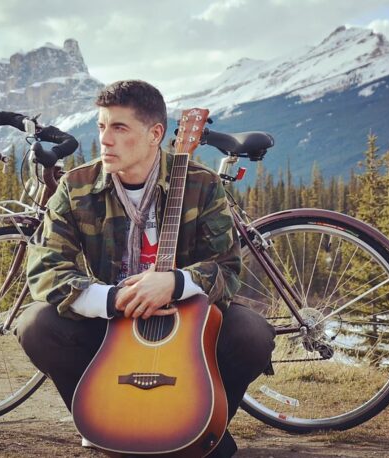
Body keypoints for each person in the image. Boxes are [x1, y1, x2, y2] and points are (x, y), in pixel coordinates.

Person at [15, 80, 275, 457]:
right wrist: (113, 299)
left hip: (187, 327)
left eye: (119, 128)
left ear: (155, 134)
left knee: (252, 334)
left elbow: (227, 269)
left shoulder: (201, 185)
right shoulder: (77, 187)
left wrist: (174, 283)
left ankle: (199, 428)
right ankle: (107, 425)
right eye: (102, 126)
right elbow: (45, 267)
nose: (105, 139)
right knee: (36, 325)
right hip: (110, 325)